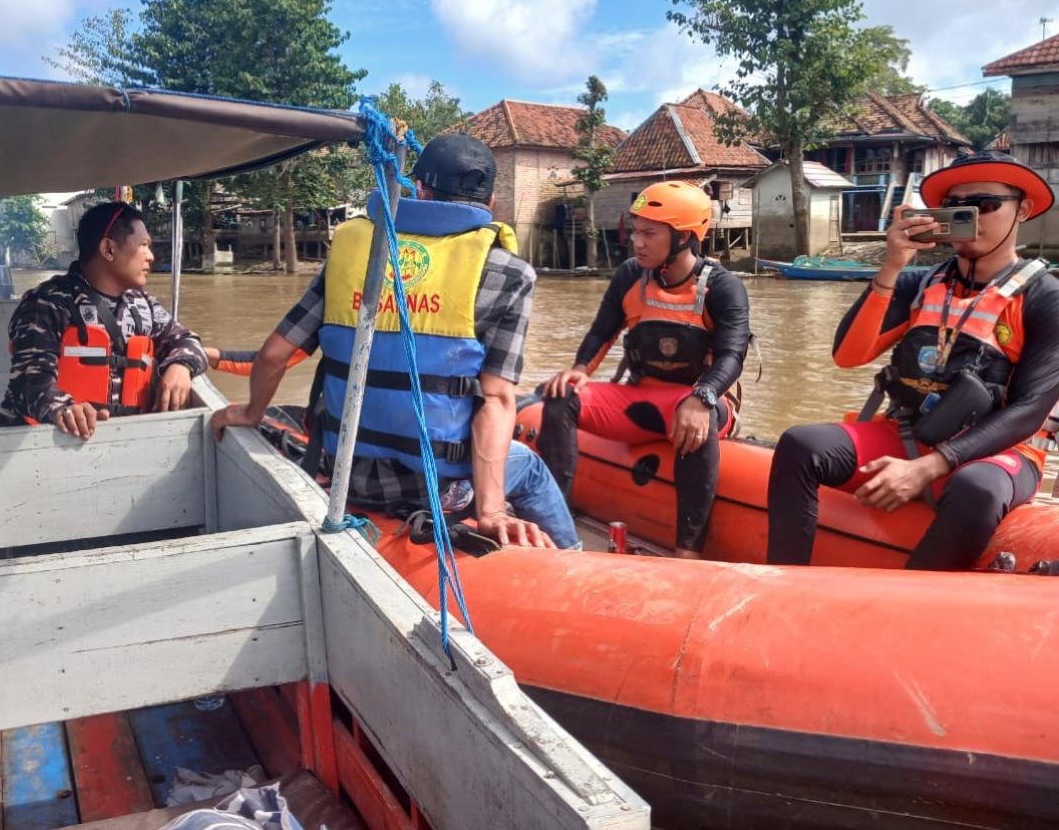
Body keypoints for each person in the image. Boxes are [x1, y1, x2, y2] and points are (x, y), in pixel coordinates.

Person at [210, 133, 578, 549]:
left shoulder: (356, 249)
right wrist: (490, 511)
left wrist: (253, 410)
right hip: (436, 489)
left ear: (419, 189)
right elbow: (496, 400)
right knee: (529, 468)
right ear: (491, 203)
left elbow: (276, 353)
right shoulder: (508, 272)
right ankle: (575, 563)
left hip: (348, 471)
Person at [767, 151, 1059, 570]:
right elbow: (848, 356)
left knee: (976, 489)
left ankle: (907, 607)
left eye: (986, 205)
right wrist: (890, 267)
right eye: (959, 207)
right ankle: (783, 583)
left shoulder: (1045, 298)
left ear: (1023, 210)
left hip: (996, 455)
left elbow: (1028, 411)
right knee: (801, 444)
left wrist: (929, 467)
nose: (971, 216)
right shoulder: (917, 284)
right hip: (909, 434)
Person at [536, 180, 750, 558]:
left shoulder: (722, 287)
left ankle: (689, 550)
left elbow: (733, 355)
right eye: (636, 231)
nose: (637, 242)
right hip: (641, 398)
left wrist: (703, 396)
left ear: (683, 237)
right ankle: (556, 522)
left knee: (693, 418)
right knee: (561, 397)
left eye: (649, 233)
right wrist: (581, 369)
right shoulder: (630, 275)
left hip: (701, 401)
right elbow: (602, 330)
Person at [0, 201, 209, 439]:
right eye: (143, 245)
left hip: (122, 441)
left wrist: (182, 366)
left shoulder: (143, 305)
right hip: (47, 445)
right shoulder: (47, 304)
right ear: (109, 249)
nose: (151, 256)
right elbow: (29, 379)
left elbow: (188, 341)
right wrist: (64, 410)